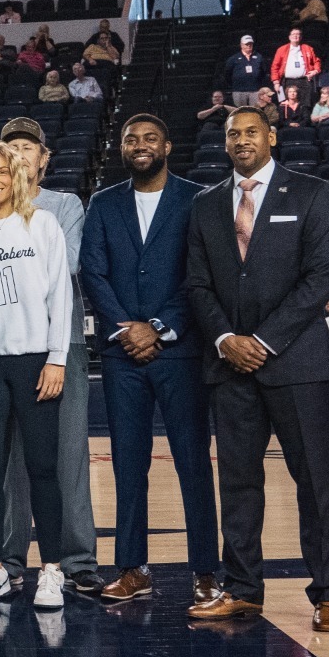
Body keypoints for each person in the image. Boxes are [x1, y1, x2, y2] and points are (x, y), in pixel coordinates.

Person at [184, 107, 329, 632]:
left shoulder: (311, 193)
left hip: (295, 363)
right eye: (233, 134)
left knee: (315, 480)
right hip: (229, 366)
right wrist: (225, 339)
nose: (241, 140)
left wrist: (263, 340)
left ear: (271, 137)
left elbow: (320, 277)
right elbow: (196, 285)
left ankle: (328, 593)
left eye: (251, 131)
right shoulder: (205, 204)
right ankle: (243, 589)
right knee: (237, 484)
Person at [80, 115, 220, 607]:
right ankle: (132, 567)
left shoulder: (198, 198)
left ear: (168, 145)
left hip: (179, 352)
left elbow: (201, 274)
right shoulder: (103, 203)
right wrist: (126, 327)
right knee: (128, 463)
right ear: (121, 148)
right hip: (122, 356)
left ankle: (206, 570)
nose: (140, 146)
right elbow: (93, 273)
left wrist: (158, 327)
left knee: (192, 464)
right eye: (130, 139)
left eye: (149, 138)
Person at [0, 141, 72, 611]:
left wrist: (58, 357)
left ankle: (51, 569)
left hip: (34, 362)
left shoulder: (42, 223)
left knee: (43, 468)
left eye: (1, 171)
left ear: (17, 176)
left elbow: (60, 294)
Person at [0, 118, 100, 596]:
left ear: (44, 158)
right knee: (9, 457)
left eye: (28, 147)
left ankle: (78, 559)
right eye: (10, 147)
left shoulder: (64, 204)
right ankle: (9, 559)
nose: (20, 154)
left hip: (62, 342)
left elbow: (70, 263)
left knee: (68, 453)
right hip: (3, 345)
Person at [271, 28, 321, 103]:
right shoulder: (281, 49)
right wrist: (276, 82)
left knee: (305, 105)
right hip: (287, 82)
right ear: (289, 37)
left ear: (301, 37)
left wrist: (315, 71)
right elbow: (275, 67)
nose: (296, 36)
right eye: (293, 34)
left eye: (298, 34)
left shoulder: (308, 48)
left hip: (304, 81)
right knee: (287, 105)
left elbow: (317, 61)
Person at [222, 35, 265, 107]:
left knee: (255, 112)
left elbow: (263, 72)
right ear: (241, 45)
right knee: (241, 113)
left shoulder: (259, 57)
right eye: (246, 44)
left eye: (250, 44)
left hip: (255, 90)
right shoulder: (233, 59)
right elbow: (227, 74)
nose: (249, 46)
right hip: (239, 91)